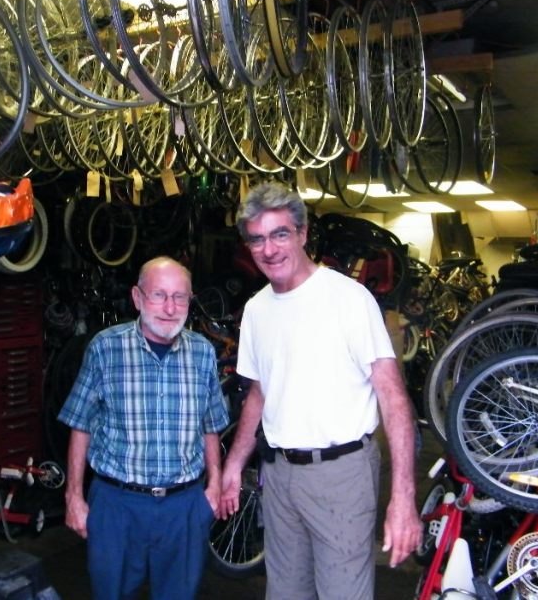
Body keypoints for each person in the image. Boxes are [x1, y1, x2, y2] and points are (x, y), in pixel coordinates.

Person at [218, 182, 422, 600]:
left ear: (303, 233)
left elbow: (393, 396)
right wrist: (234, 465)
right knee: (284, 593)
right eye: (257, 239)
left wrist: (403, 497)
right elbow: (259, 393)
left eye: (279, 234)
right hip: (278, 475)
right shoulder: (256, 310)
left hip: (341, 475)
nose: (269, 249)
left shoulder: (348, 299)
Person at [59, 256, 230, 600]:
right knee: (112, 593)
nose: (170, 308)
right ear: (138, 298)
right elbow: (80, 424)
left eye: (179, 297)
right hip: (117, 504)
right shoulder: (106, 348)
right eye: (159, 295)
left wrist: (213, 486)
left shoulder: (202, 353)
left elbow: (211, 425)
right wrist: (73, 496)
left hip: (183, 505)